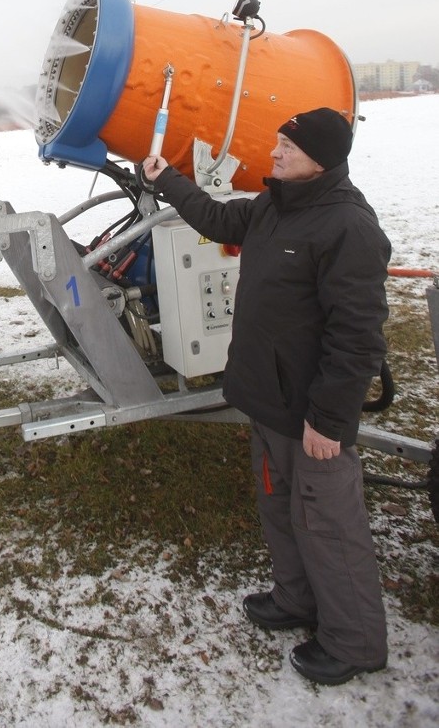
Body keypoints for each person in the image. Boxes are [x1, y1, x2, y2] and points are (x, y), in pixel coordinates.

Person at [141, 107, 390, 686]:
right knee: (280, 507)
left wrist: (329, 421)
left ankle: (354, 641)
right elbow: (214, 216)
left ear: (321, 160)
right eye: (277, 141)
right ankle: (296, 598)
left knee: (328, 521)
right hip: (266, 399)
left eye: (287, 148)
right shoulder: (274, 206)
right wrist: (166, 177)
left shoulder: (347, 227)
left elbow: (357, 338)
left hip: (311, 415)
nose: (274, 153)